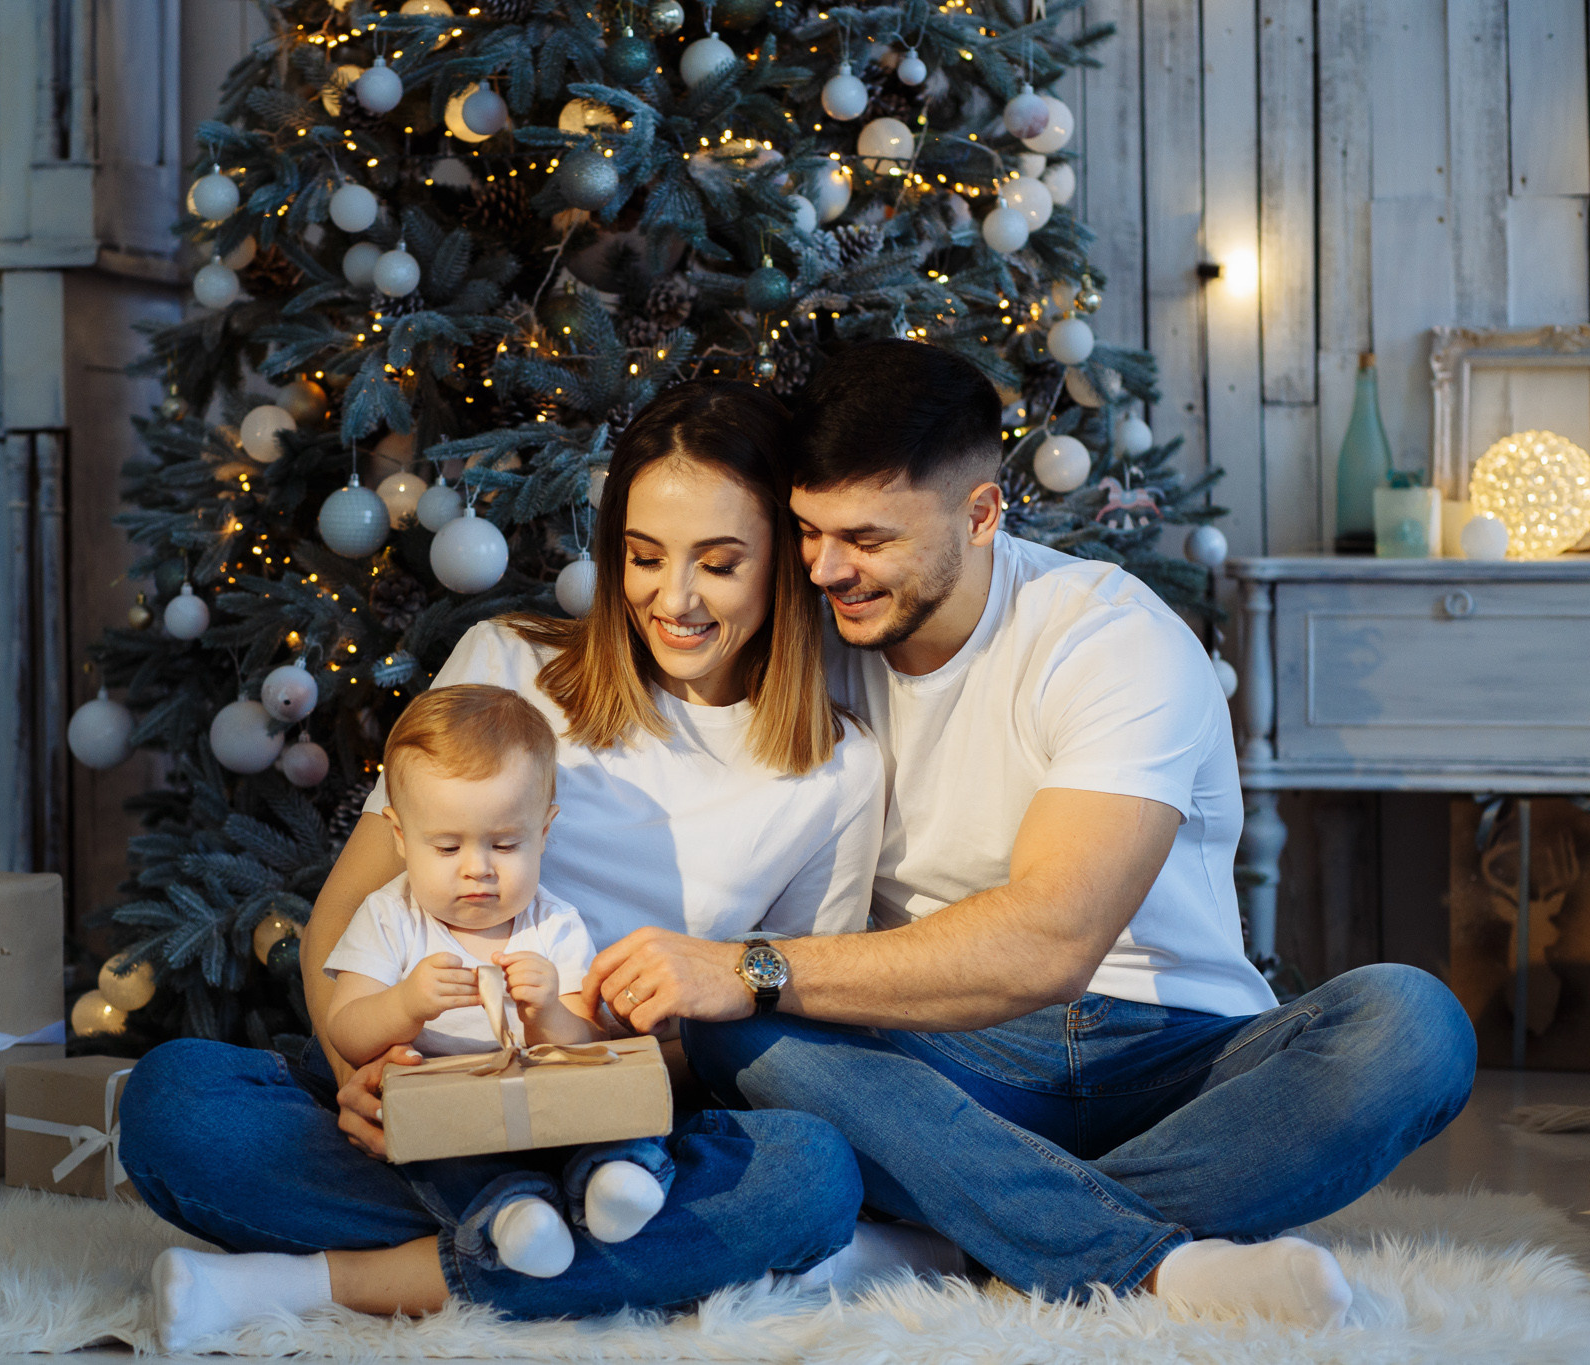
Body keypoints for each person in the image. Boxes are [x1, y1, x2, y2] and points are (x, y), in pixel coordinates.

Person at [586, 341, 1478, 1328]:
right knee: (738, 1038)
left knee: (1410, 1025)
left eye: (868, 538)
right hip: (940, 1076)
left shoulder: (1105, 639)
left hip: (1176, 1060)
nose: (827, 569)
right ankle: (1125, 1257)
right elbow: (624, 706)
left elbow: (1049, 943)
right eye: (807, 531)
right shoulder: (813, 642)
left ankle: (955, 1235)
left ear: (979, 514)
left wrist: (750, 965)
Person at [118, 380, 887, 1343]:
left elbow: (780, 1026)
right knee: (174, 1102)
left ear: (782, 561)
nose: (674, 599)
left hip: (626, 1128)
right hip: (425, 1087)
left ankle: (332, 1281)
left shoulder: (838, 768)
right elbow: (339, 926)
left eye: (720, 564)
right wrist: (375, 1067)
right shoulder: (506, 665)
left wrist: (588, 1086)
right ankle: (564, 1247)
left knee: (810, 1174)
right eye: (645, 558)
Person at [320, 683, 677, 1281]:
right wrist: (405, 1004)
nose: (477, 868)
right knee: (437, 1157)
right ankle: (513, 1219)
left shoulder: (552, 920)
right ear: (401, 836)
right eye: (447, 845)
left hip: (546, 1101)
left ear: (544, 831)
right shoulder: (390, 916)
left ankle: (616, 1179)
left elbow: (582, 1043)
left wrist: (547, 1013)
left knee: (613, 1116)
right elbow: (347, 1032)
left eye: (505, 844)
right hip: (450, 1112)